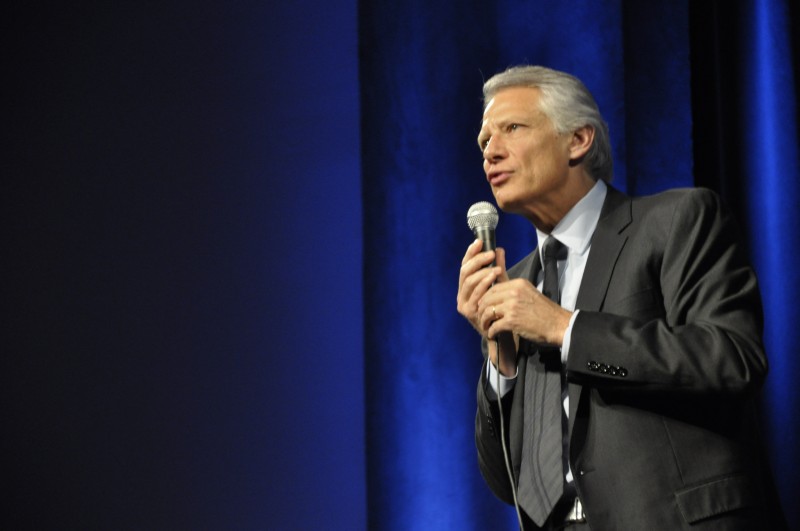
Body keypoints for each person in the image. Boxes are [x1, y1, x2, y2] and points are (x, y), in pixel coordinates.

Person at [457, 65, 786, 530]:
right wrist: (501, 362)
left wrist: (564, 328)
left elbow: (731, 359)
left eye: (511, 128)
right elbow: (505, 479)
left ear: (579, 140)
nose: (490, 149)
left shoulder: (676, 222)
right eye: (484, 140)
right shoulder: (517, 285)